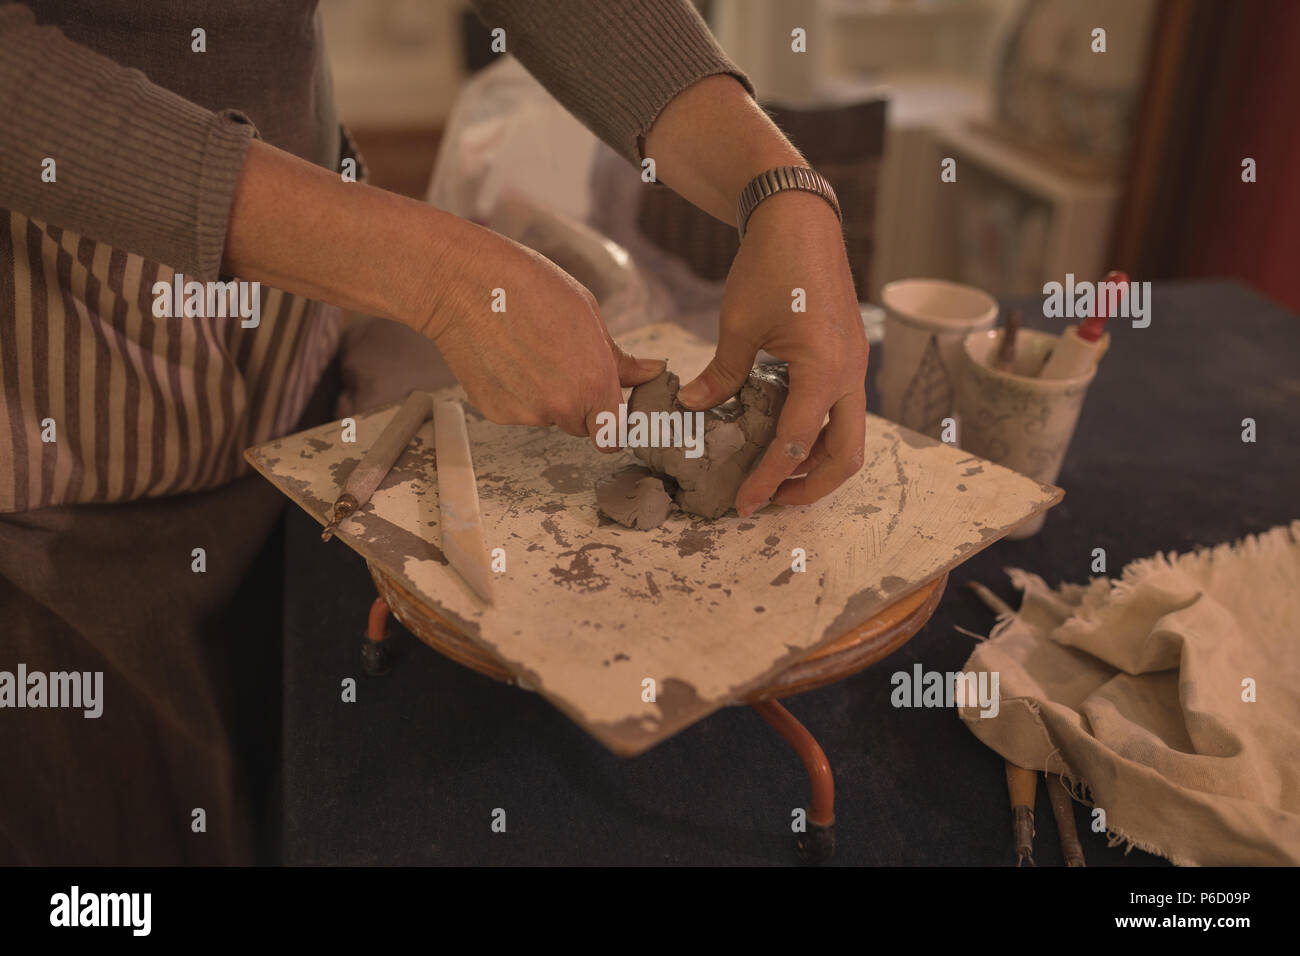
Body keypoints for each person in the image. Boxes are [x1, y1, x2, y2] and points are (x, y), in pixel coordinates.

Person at [0, 0, 867, 864]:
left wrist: (776, 182)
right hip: (64, 411)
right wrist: (437, 274)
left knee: (299, 764)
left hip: (286, 340)